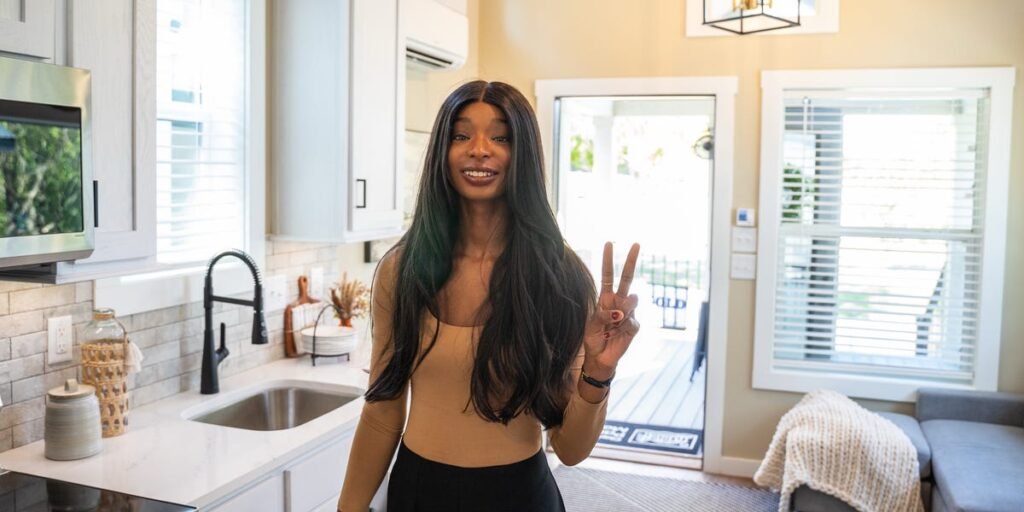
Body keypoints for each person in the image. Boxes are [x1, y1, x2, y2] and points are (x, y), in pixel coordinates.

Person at [337, 80, 641, 512]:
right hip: (418, 492)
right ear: (442, 152)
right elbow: (382, 413)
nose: (479, 150)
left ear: (524, 155)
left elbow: (571, 450)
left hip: (520, 495)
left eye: (501, 137)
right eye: (461, 135)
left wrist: (599, 370)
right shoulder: (402, 270)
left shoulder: (559, 276)